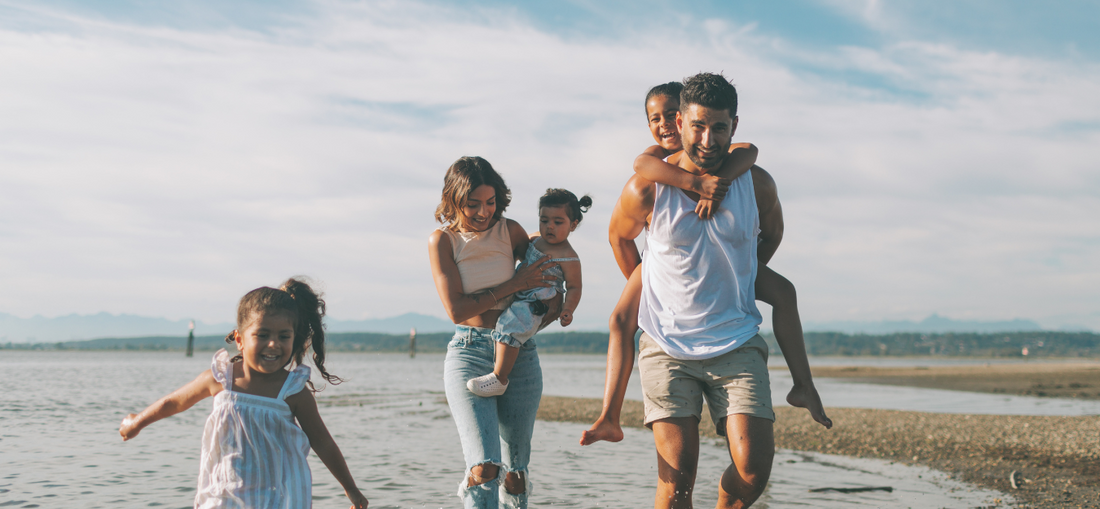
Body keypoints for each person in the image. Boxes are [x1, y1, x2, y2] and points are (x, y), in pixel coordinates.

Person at [587, 73, 829, 509]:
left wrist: (735, 273)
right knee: (677, 479)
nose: (708, 138)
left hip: (735, 341)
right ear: (679, 123)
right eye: (698, 126)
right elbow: (619, 238)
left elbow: (770, 235)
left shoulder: (756, 184)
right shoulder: (647, 187)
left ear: (734, 126)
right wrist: (650, 281)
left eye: (719, 127)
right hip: (666, 346)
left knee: (755, 469)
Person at [119, 278, 369, 509]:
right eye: (262, 335)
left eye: (284, 336)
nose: (273, 344)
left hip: (278, 497)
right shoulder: (220, 379)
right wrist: (136, 422)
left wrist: (350, 488)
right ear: (239, 339)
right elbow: (174, 403)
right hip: (223, 496)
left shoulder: (293, 391)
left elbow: (322, 442)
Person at [428, 156, 561, 508]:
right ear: (454, 199)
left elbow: (548, 270)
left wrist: (551, 306)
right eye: (474, 205)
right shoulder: (443, 240)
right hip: (468, 353)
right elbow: (457, 308)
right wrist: (514, 284)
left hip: (519, 353)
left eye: (491, 203)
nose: (484, 212)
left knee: (515, 472)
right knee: (485, 466)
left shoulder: (511, 230)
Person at [466, 188, 591, 397]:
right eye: (544, 220)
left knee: (510, 327)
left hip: (538, 301)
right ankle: (498, 367)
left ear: (573, 225)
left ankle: (499, 378)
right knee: (504, 322)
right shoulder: (533, 240)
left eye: (558, 222)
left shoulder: (569, 257)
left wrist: (568, 309)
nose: (549, 226)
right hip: (519, 292)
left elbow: (575, 286)